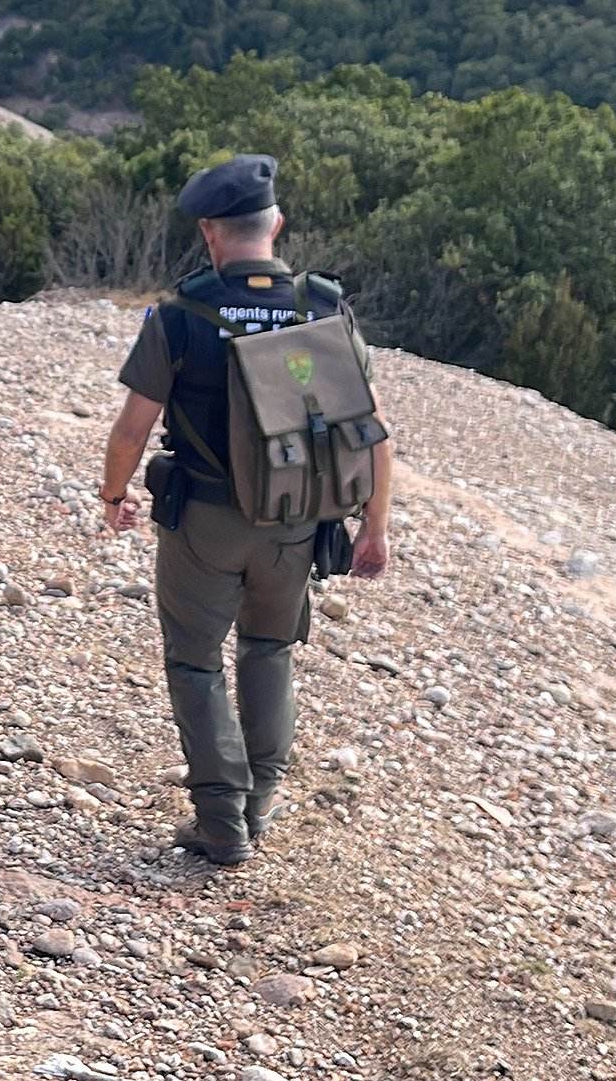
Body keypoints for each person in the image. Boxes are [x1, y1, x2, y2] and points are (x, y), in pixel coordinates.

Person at [97, 154, 394, 867]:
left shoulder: (181, 312)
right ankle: (259, 802)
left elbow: (131, 427)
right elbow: (370, 428)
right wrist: (374, 528)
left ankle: (220, 821)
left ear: (209, 232)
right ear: (276, 226)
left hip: (203, 517)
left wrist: (114, 495)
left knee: (195, 663)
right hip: (296, 518)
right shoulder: (323, 307)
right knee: (268, 650)